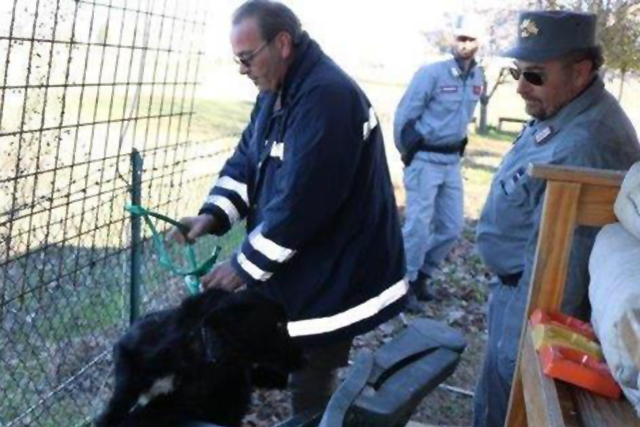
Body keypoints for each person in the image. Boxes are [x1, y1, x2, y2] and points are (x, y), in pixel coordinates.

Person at [170, 0, 407, 416]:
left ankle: (315, 421)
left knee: (312, 366)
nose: (242, 69)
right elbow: (247, 161)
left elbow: (304, 203)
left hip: (338, 264)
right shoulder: (277, 91)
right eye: (237, 60)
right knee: (281, 348)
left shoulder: (327, 98)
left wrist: (242, 266)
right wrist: (212, 215)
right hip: (308, 258)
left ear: (281, 43)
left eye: (246, 58)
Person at [473, 10, 640, 427]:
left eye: (534, 75)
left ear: (581, 71)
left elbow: (564, 273)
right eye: (516, 71)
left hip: (529, 306)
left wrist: (526, 349)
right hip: (512, 295)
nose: (520, 87)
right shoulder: (563, 110)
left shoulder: (591, 142)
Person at [393, 17, 485, 311]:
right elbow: (404, 117)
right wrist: (407, 154)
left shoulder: (478, 77)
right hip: (425, 159)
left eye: (471, 39)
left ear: (479, 42)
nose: (465, 44)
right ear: (452, 40)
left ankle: (422, 275)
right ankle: (403, 286)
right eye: (460, 38)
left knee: (451, 227)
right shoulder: (432, 74)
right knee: (418, 226)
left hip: (451, 162)